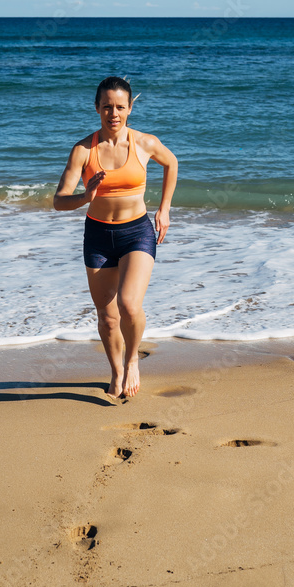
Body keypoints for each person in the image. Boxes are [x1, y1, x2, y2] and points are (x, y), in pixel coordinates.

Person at [53, 76, 178, 401]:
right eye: (107, 106)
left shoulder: (144, 143)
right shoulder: (83, 150)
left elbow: (171, 163)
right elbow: (59, 200)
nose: (113, 113)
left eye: (120, 106)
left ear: (129, 108)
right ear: (97, 108)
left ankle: (133, 357)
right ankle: (116, 370)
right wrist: (86, 195)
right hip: (97, 235)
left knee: (128, 305)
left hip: (136, 232)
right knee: (108, 319)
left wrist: (164, 210)